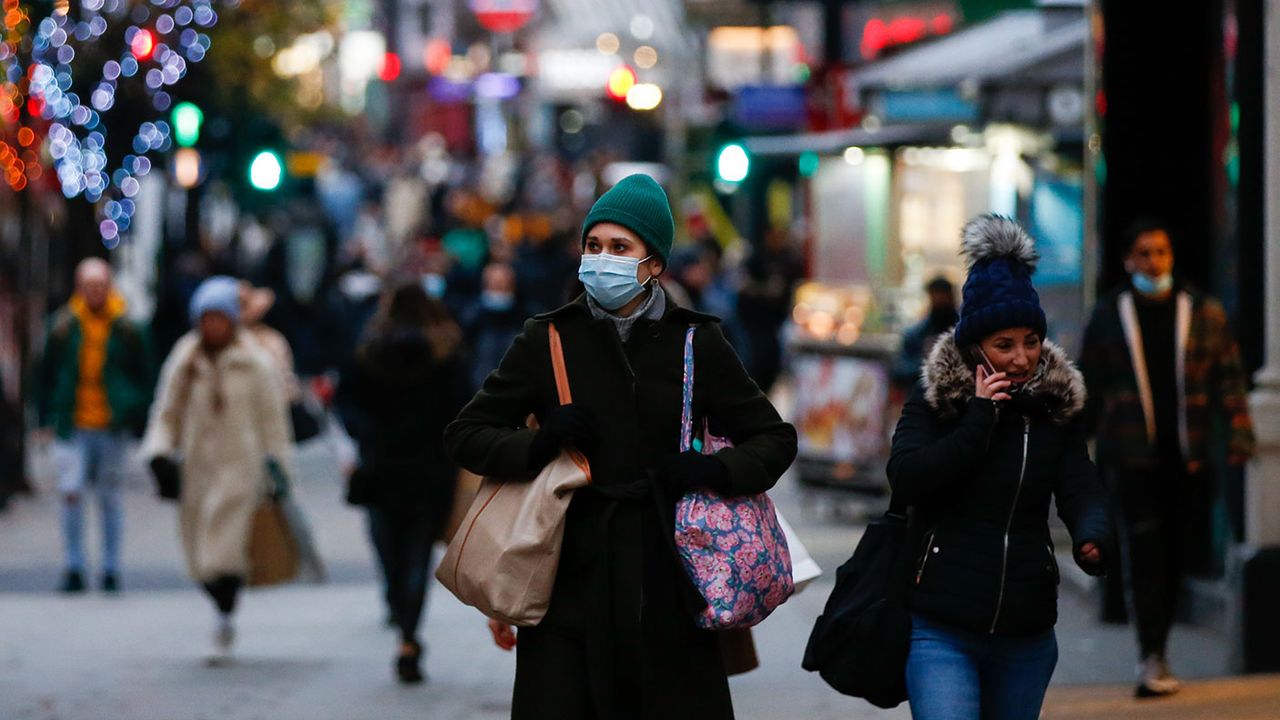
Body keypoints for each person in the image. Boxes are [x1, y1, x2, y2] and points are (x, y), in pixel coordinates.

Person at [444, 173, 797, 719]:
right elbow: (467, 434)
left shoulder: (695, 340)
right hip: (569, 582)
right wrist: (541, 444)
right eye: (593, 245)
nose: (601, 258)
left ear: (653, 262)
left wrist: (711, 469)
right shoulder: (549, 337)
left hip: (669, 581)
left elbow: (773, 438)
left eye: (619, 247)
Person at [887, 215, 1111, 720]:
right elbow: (907, 476)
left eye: (1030, 341)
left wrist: (1093, 534)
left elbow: (1080, 484)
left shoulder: (1052, 406)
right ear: (975, 346)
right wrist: (978, 419)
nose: (1020, 358)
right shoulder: (938, 402)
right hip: (942, 626)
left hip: (1026, 632)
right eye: (1003, 345)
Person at [1079, 220, 1254, 697]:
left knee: (1176, 554)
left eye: (1161, 251)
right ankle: (1150, 654)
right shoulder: (1109, 314)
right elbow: (1089, 386)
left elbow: (1229, 379)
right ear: (1128, 260)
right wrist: (1073, 448)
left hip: (1188, 457)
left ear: (1172, 256)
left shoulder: (1203, 312)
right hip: (1129, 457)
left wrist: (1238, 438)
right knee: (1142, 555)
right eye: (1144, 253)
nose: (1153, 261)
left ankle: (1159, 648)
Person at [142, 276, 293, 665]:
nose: (212, 326)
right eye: (206, 319)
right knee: (197, 555)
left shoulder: (255, 363)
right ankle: (223, 603)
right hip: (196, 468)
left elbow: (273, 421)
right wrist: (159, 452)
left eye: (219, 318)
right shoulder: (185, 360)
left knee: (221, 555)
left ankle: (224, 613)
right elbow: (167, 410)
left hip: (240, 467)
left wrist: (279, 468)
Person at [334, 282, 468, 684]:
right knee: (418, 551)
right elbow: (464, 407)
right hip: (432, 467)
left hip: (381, 464)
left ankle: (395, 602)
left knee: (387, 543)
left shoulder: (369, 351)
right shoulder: (447, 354)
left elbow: (347, 404)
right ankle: (409, 633)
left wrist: (363, 438)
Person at [36, 257, 153, 594]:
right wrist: (45, 418)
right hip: (71, 423)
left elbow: (145, 374)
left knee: (110, 497)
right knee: (71, 493)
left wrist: (135, 409)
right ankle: (74, 564)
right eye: (89, 287)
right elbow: (45, 374)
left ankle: (111, 566)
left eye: (100, 286)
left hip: (111, 424)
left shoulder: (128, 326)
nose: (95, 293)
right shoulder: (63, 325)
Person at [459, 262, 526, 392]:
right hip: (478, 384)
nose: (499, 286)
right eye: (494, 282)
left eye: (503, 282)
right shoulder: (471, 315)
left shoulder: (524, 315)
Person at [891, 276, 959, 392]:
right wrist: (928, 361)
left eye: (944, 296)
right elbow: (899, 371)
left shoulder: (964, 330)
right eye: (937, 296)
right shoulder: (916, 334)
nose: (940, 300)